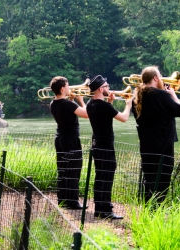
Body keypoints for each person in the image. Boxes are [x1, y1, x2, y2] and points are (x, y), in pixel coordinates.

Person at [132, 66, 180, 204]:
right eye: (160, 76)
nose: (162, 78)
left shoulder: (137, 97)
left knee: (149, 178)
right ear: (155, 78)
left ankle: (148, 210)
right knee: (163, 179)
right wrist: (173, 95)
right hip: (163, 145)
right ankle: (157, 209)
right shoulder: (162, 95)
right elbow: (179, 111)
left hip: (146, 145)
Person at [86, 75, 133, 219]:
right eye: (106, 86)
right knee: (107, 177)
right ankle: (105, 210)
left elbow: (103, 117)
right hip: (106, 146)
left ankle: (101, 208)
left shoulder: (90, 104)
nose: (109, 88)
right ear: (100, 88)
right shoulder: (103, 106)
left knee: (100, 176)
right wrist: (128, 104)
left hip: (97, 144)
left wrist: (110, 102)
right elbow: (124, 118)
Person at [49, 76, 88, 209]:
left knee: (63, 169)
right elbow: (87, 114)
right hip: (70, 139)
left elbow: (67, 113)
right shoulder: (68, 104)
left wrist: (72, 100)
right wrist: (82, 101)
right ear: (62, 88)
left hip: (60, 138)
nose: (69, 87)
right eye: (67, 85)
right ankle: (73, 201)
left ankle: (63, 199)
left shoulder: (54, 103)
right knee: (73, 169)